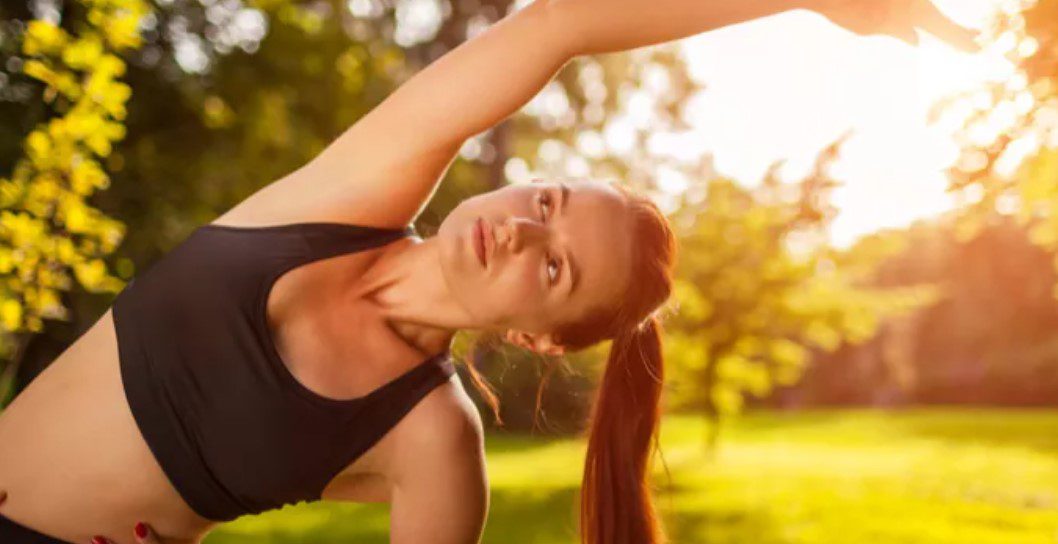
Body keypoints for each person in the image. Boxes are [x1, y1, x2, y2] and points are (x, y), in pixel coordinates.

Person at [0, 0, 977, 543]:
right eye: (546, 204)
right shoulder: (346, 196)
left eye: (553, 269)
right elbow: (553, 25)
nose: (518, 232)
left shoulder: (433, 442)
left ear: (535, 339)